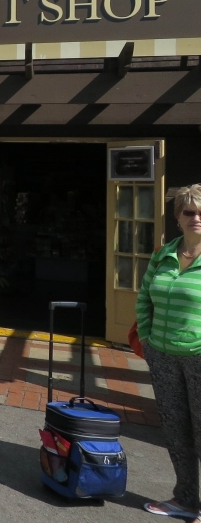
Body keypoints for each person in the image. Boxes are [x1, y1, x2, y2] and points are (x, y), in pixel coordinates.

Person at [138, 184, 201, 521]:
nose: (196, 218)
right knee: (176, 430)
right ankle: (186, 500)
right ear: (178, 217)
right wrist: (147, 340)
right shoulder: (163, 255)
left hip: (199, 355)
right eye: (189, 212)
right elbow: (144, 296)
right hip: (162, 354)